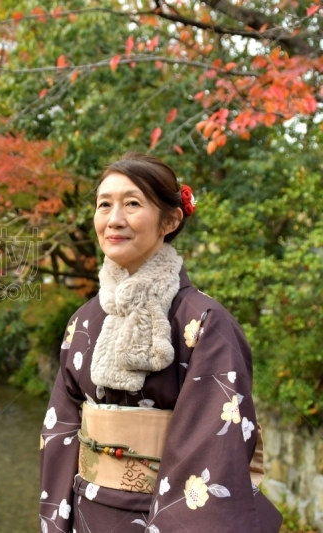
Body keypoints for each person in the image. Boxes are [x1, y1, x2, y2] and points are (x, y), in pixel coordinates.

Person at [38, 153, 282, 533]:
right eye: (104, 204)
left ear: (170, 220)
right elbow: (61, 431)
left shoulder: (203, 322)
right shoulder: (83, 321)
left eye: (132, 203)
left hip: (161, 514)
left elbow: (213, 451)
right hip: (87, 512)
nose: (113, 219)